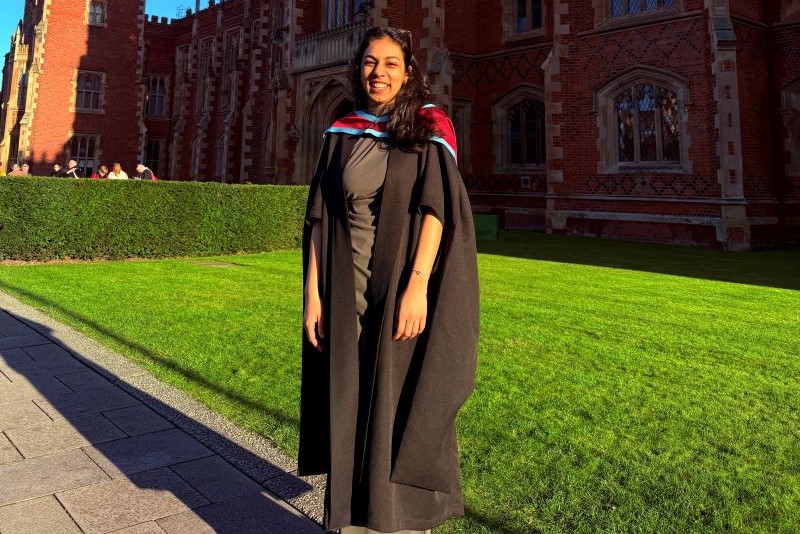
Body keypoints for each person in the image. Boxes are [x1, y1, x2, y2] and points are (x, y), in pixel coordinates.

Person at [299, 26, 479, 534]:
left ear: (408, 70)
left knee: (399, 394)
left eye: (391, 63)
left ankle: (400, 517)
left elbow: (435, 210)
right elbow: (319, 218)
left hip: (399, 285)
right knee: (350, 395)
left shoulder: (428, 127)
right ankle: (352, 514)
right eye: (370, 63)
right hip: (344, 284)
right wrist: (313, 295)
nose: (378, 73)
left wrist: (417, 285)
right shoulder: (342, 129)